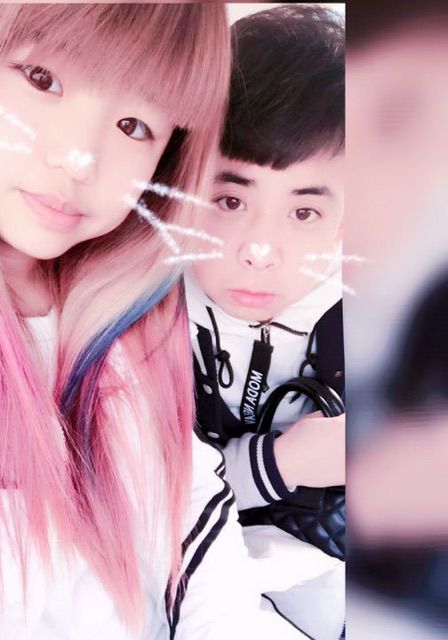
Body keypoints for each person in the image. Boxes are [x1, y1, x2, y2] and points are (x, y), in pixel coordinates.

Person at [0, 4, 297, 639]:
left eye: (133, 125)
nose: (80, 159)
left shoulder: (128, 324)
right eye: (43, 79)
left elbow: (187, 512)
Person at [186, 6, 346, 639]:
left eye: (303, 213)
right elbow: (130, 499)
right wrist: (284, 463)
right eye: (229, 200)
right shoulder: (133, 315)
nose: (260, 249)